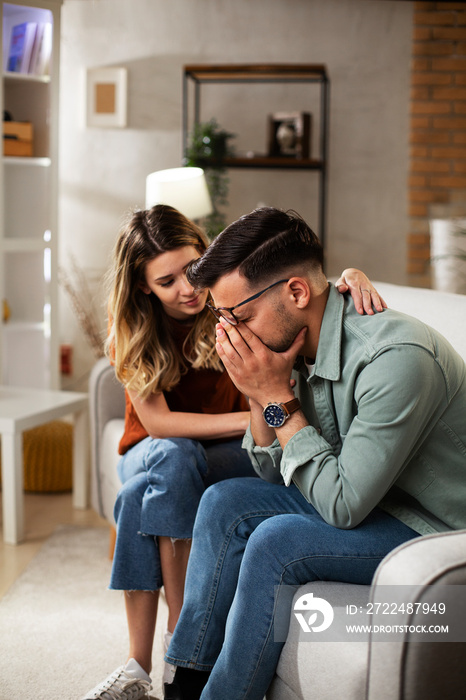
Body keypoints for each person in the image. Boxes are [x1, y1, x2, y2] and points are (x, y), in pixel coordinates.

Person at [164, 207, 466, 700]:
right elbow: (269, 471)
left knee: (276, 542)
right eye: (223, 320)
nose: (232, 335)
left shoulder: (396, 360)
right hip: (374, 499)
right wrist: (261, 392)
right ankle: (184, 685)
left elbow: (342, 505)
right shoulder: (296, 342)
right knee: (223, 503)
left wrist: (278, 398)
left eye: (238, 317)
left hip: (434, 529)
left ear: (297, 292)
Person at [81, 204, 378, 700]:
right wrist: (258, 411)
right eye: (167, 281)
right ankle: (168, 643)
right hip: (151, 447)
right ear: (142, 289)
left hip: (226, 450)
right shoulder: (130, 323)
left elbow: (304, 283)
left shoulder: (231, 301)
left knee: (140, 495)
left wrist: (353, 275)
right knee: (169, 459)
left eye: (191, 269)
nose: (187, 289)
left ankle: (159, 657)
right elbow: (157, 423)